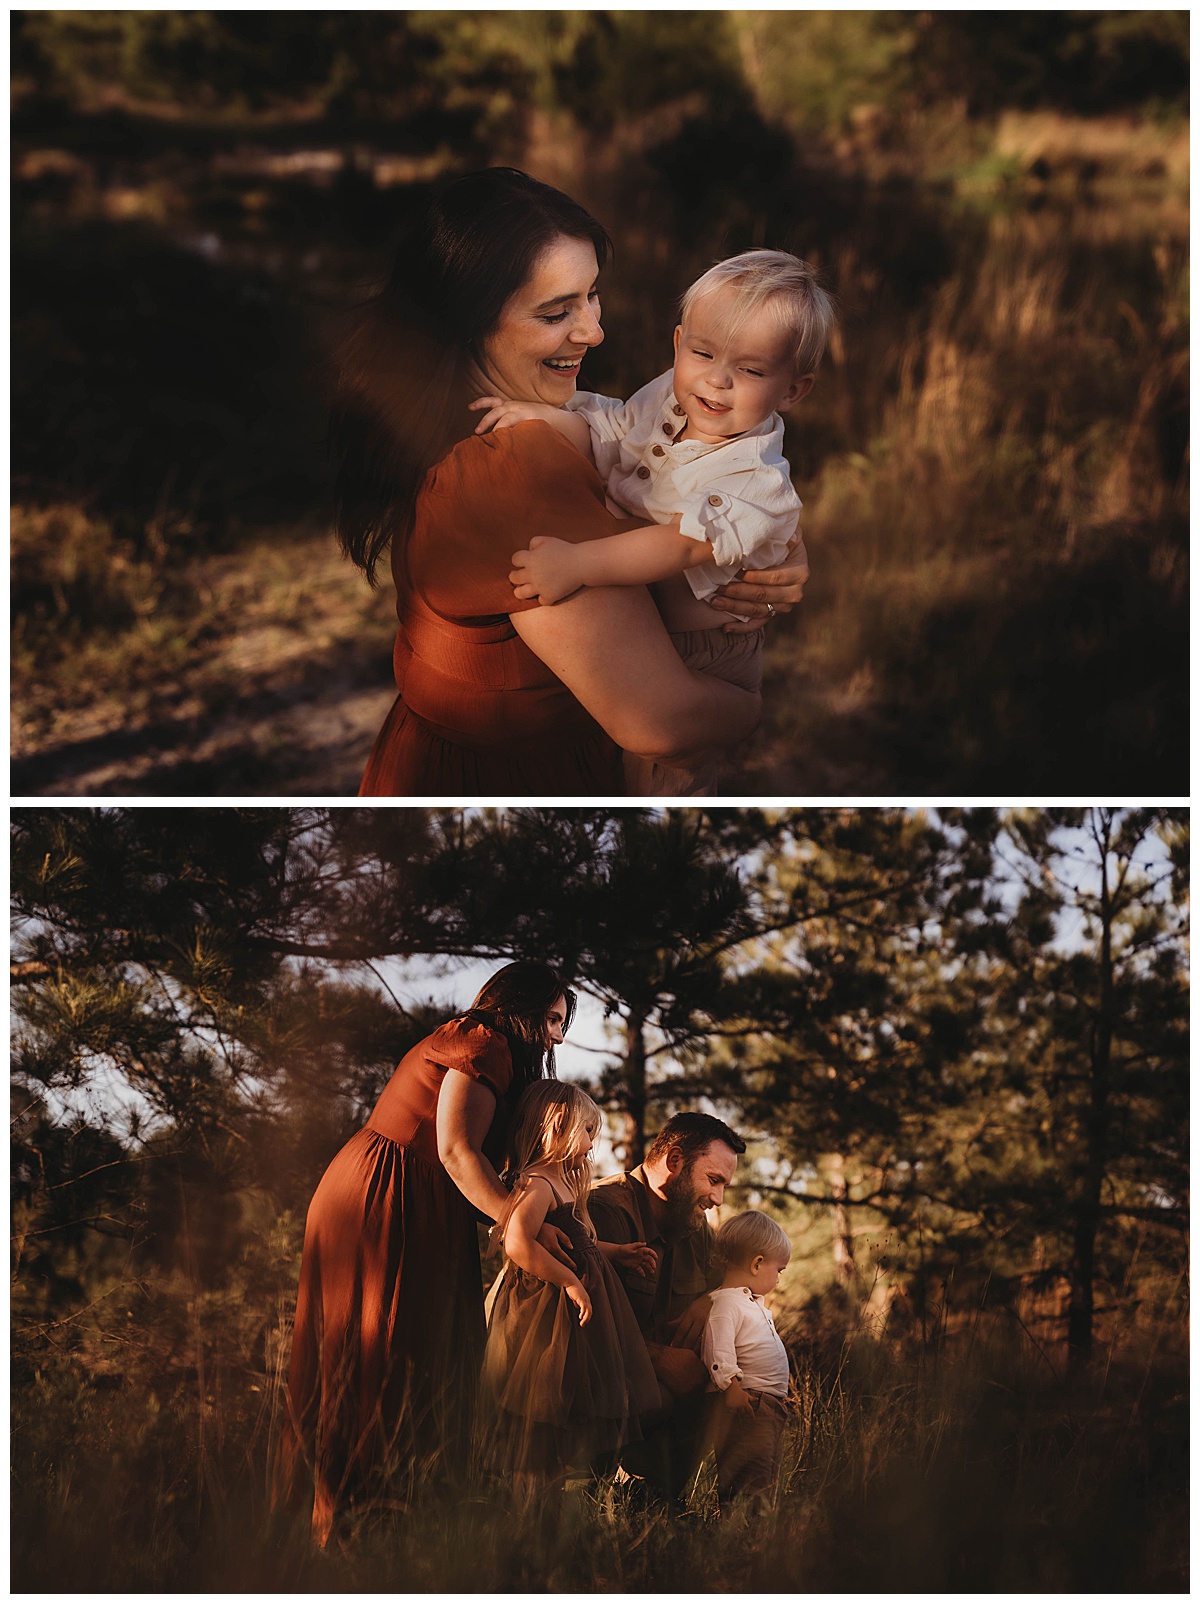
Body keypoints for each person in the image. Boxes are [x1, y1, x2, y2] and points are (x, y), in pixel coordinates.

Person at [331, 167, 812, 796]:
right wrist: (746, 707)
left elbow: (674, 490)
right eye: (558, 311)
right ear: (466, 321)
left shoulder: (459, 424)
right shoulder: (512, 467)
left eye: (591, 296)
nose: (594, 331)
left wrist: (778, 553)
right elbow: (662, 721)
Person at [474, 249, 836, 795]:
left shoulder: (755, 478)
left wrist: (578, 564)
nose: (718, 381)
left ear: (792, 389)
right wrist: (548, 420)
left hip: (707, 654)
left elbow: (680, 547)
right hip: (650, 623)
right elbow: (613, 435)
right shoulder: (671, 395)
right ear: (677, 343)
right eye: (703, 352)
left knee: (662, 785)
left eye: (751, 370)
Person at [275, 962, 578, 1544]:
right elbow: (458, 1151)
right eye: (552, 1018)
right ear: (521, 1005)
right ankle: (351, 1522)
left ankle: (375, 1517)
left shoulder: (484, 1046)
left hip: (409, 1195)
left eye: (562, 1024)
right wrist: (526, 1228)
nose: (557, 1036)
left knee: (398, 1346)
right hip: (389, 1194)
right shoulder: (483, 1040)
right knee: (381, 1345)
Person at [480, 1081, 660, 1499]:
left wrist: (618, 1253)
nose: (591, 1143)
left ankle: (563, 1498)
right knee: (543, 1402)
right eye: (587, 1131)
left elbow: (581, 1242)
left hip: (573, 1306)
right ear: (556, 1128)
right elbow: (518, 1241)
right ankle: (531, 1503)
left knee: (571, 1406)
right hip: (547, 1311)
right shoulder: (538, 1183)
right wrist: (570, 1282)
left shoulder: (562, 1183)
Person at [588, 1111, 746, 1497]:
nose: (718, 1198)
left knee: (736, 1382)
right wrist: (657, 1358)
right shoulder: (603, 1211)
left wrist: (711, 1301)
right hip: (596, 1388)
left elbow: (733, 1288)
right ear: (674, 1161)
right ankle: (585, 1490)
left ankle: (660, 1505)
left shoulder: (695, 1228)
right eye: (713, 1180)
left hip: (653, 1398)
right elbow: (571, 1328)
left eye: (724, 1185)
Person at [696, 1210, 792, 1504]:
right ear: (757, 1263)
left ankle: (756, 1533)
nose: (778, 1278)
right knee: (749, 1479)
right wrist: (731, 1387)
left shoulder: (749, 1302)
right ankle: (742, 1533)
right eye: (779, 1270)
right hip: (746, 1405)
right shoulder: (726, 1303)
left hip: (766, 1405)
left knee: (766, 1473)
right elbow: (717, 1348)